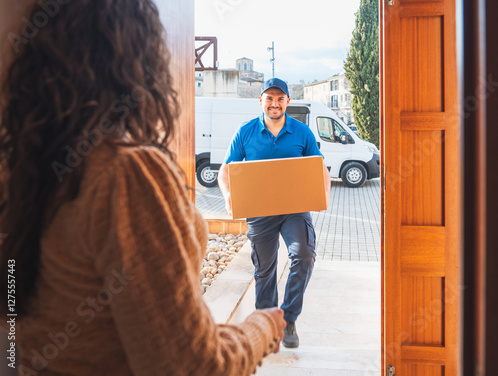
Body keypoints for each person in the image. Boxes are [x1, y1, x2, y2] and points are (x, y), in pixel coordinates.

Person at [0, 1, 286, 375]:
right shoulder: (124, 174)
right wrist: (262, 327)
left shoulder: (23, 169)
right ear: (137, 56)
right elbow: (191, 366)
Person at [218, 78, 331, 348]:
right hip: (260, 211)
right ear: (261, 101)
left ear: (288, 102)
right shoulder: (245, 132)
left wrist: (324, 195)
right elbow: (225, 170)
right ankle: (266, 322)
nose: (275, 103)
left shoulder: (302, 132)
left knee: (304, 254)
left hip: (295, 210)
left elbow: (320, 169)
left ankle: (287, 318)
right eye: (269, 98)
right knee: (264, 270)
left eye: (280, 98)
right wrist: (228, 195)